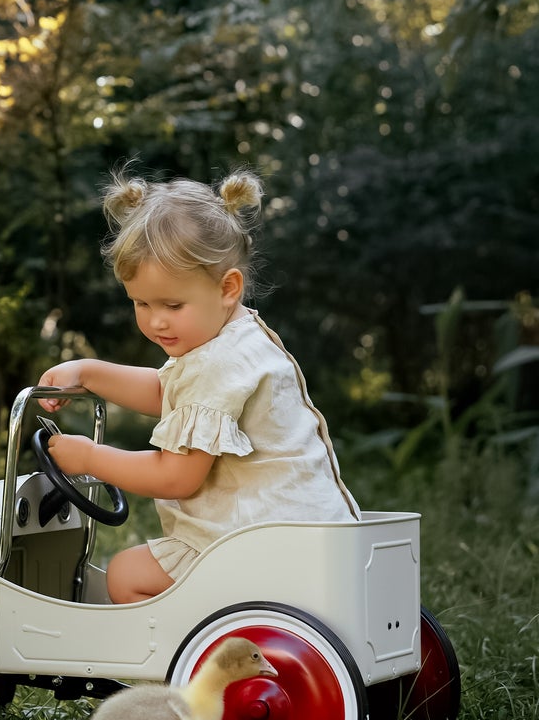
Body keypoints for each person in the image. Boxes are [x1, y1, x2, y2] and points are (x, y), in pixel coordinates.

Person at [36, 168, 358, 604]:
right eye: (141, 303)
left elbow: (177, 477)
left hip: (256, 542)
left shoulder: (216, 362)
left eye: (172, 304)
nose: (155, 320)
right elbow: (168, 396)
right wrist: (90, 373)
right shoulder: (238, 338)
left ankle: (179, 672)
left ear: (228, 288)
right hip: (301, 533)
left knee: (126, 574)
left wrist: (92, 457)